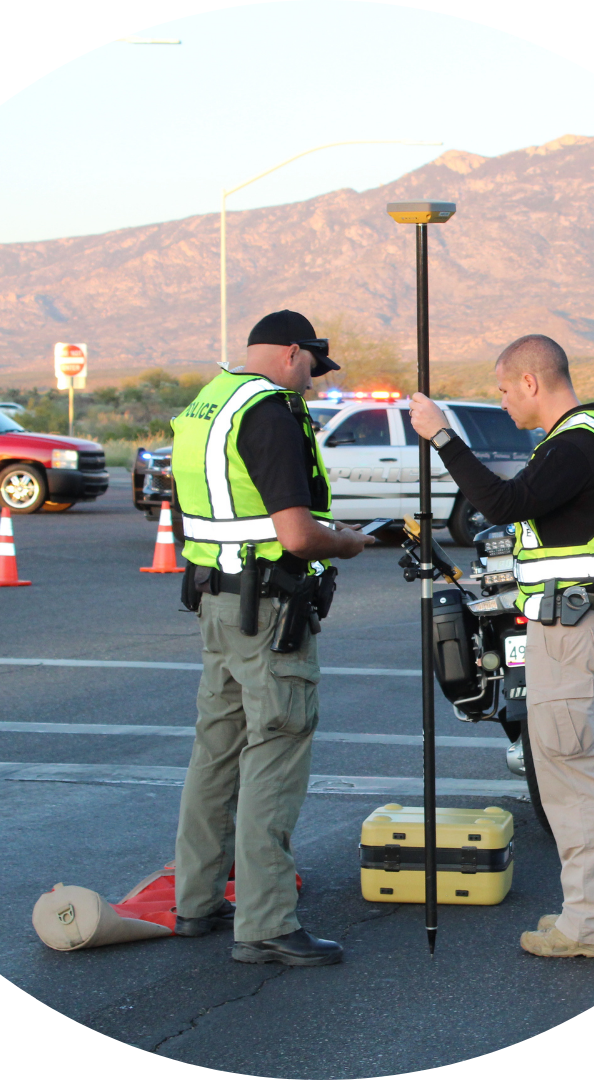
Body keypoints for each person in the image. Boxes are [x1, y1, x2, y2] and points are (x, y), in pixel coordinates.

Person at [408, 334, 594, 959]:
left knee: (571, 776)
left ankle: (591, 925)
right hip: (578, 627)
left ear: (533, 382)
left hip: (574, 633)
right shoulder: (590, 438)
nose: (504, 400)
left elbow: (505, 503)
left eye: (505, 388)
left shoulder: (578, 445)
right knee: (572, 771)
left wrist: (441, 436)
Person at [170, 309, 375, 967]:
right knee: (275, 750)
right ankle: (264, 924)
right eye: (313, 367)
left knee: (216, 750)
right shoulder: (270, 413)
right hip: (269, 615)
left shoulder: (209, 404)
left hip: (217, 602)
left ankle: (197, 902)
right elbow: (296, 535)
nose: (313, 383)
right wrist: (348, 544)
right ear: (292, 352)